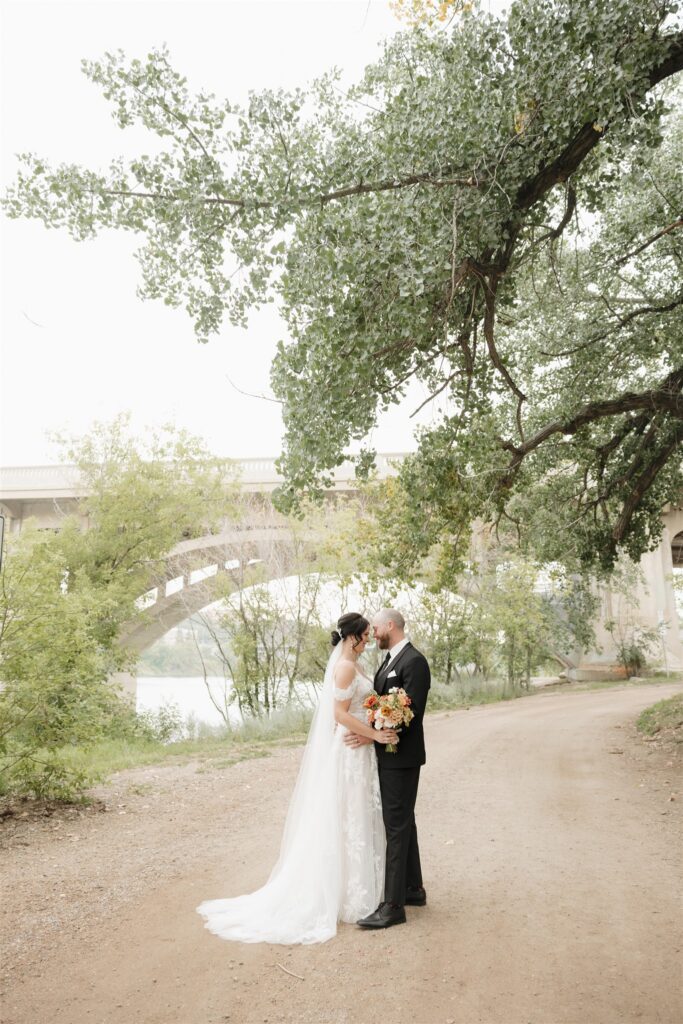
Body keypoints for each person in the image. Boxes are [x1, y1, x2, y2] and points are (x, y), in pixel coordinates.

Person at [196, 612, 398, 944]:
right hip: (350, 752)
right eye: (363, 636)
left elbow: (358, 708)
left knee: (358, 816)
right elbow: (339, 714)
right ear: (351, 638)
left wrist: (376, 723)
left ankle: (360, 886)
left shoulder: (356, 664)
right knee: (348, 816)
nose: (367, 641)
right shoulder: (346, 667)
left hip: (358, 747)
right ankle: (344, 894)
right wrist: (375, 735)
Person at [344, 608, 431, 929]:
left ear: (390, 626)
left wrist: (374, 738)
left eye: (376, 627)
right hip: (390, 755)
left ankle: (393, 905)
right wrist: (372, 731)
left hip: (401, 755)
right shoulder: (390, 659)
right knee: (403, 821)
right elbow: (383, 702)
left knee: (395, 826)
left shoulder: (414, 662)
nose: (373, 633)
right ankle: (412, 888)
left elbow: (411, 713)